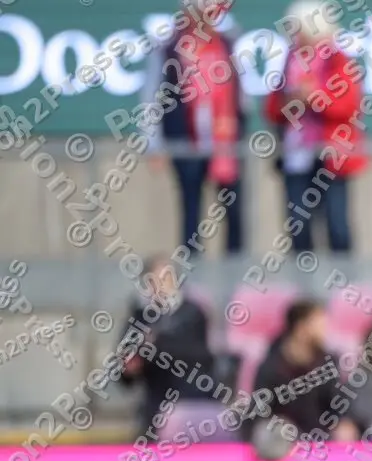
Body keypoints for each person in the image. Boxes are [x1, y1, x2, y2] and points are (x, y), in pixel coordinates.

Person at [141, 0, 245, 257]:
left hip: (225, 144)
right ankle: (192, 278)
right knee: (191, 210)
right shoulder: (169, 48)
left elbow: (241, 96)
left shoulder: (227, 43)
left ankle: (236, 278)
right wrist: (153, 143)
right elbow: (151, 97)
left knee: (233, 211)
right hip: (186, 141)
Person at [264, 1, 369, 255]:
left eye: (299, 29)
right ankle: (304, 291)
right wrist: (291, 101)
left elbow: (349, 107)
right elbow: (272, 109)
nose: (295, 36)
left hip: (332, 156)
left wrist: (315, 96)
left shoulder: (338, 61)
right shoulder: (290, 61)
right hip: (296, 155)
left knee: (337, 225)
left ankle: (344, 289)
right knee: (298, 225)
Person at [117, 256, 217, 436]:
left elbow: (201, 356)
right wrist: (129, 368)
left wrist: (156, 345)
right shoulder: (139, 317)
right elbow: (124, 365)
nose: (162, 285)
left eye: (166, 278)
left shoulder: (193, 313)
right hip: (156, 399)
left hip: (190, 397)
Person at [252, 299, 357, 445]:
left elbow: (337, 404)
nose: (324, 330)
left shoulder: (327, 362)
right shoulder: (271, 366)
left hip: (321, 442)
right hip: (281, 444)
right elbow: (259, 412)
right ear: (301, 328)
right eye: (319, 324)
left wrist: (343, 423)